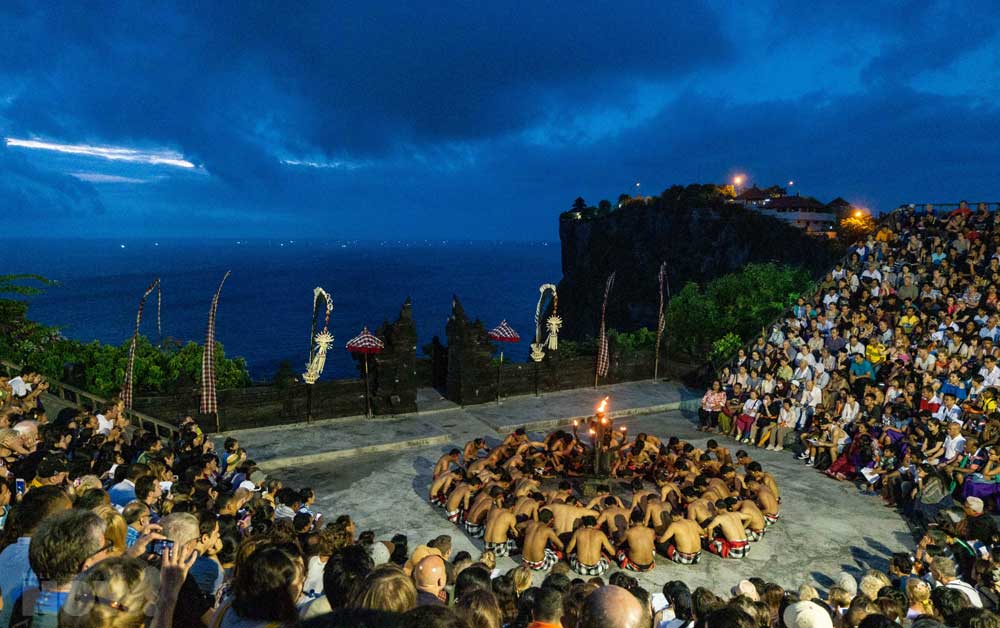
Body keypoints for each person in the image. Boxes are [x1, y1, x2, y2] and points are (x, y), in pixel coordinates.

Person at [27, 509, 113, 627]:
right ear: (86, 566)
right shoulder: (92, 619)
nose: (109, 553)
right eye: (105, 548)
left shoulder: (22, 603)